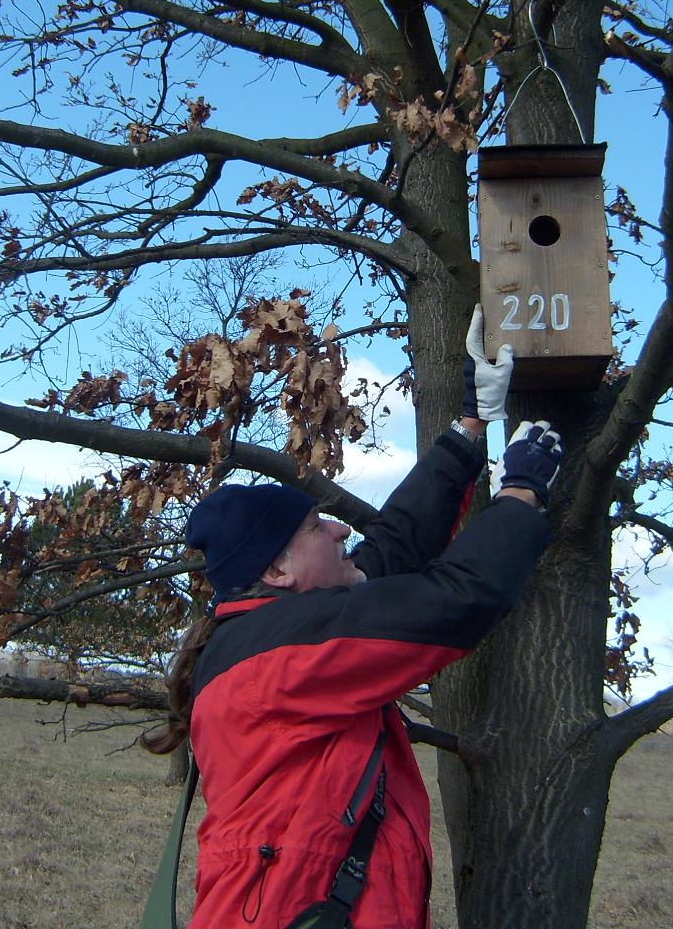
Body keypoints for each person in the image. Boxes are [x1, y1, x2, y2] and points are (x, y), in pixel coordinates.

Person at [142, 308, 563, 929]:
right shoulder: (285, 652)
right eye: (317, 527)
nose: (340, 527)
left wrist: (472, 425)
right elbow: (456, 600)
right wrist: (522, 492)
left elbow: (389, 551)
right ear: (279, 570)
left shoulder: (273, 628)